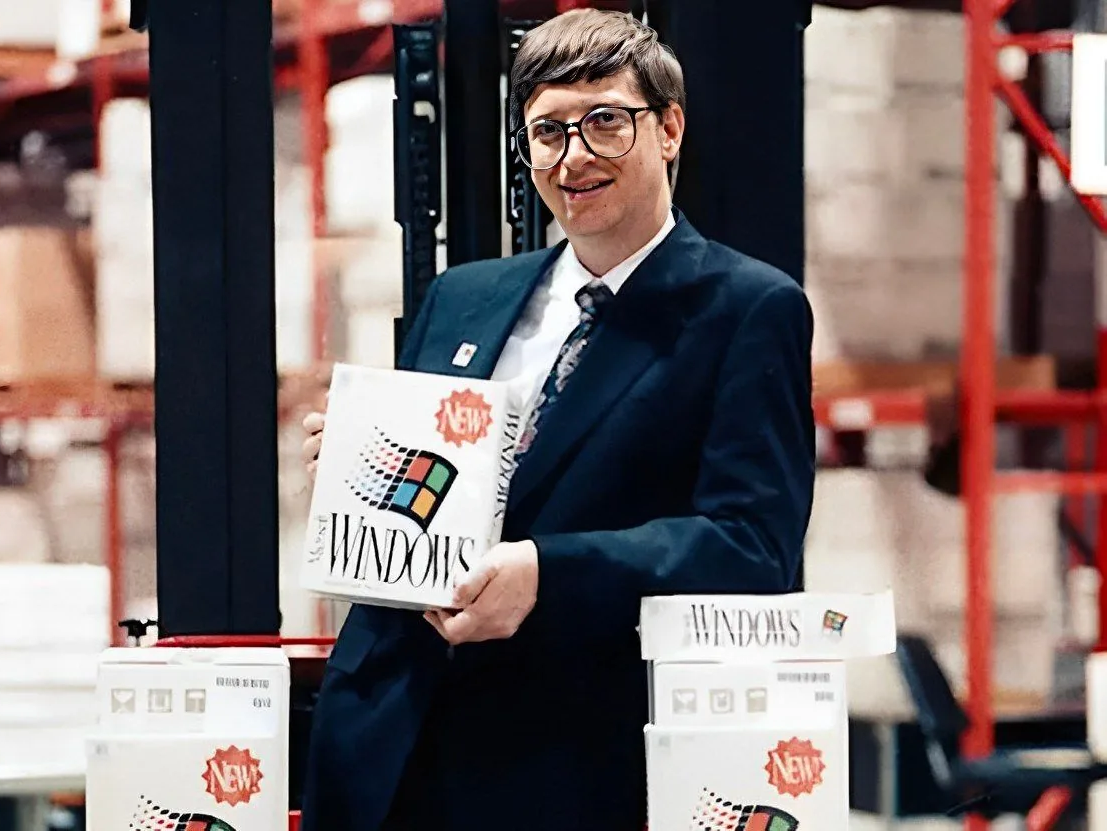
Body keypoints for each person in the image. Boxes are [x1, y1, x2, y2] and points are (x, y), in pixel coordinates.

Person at [298, 9, 815, 831]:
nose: (573, 157)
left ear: (669, 129)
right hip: (385, 750)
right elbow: (429, 495)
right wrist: (360, 466)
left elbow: (753, 545)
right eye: (547, 132)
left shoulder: (747, 310)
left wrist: (550, 575)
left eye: (605, 122)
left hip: (558, 765)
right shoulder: (463, 297)